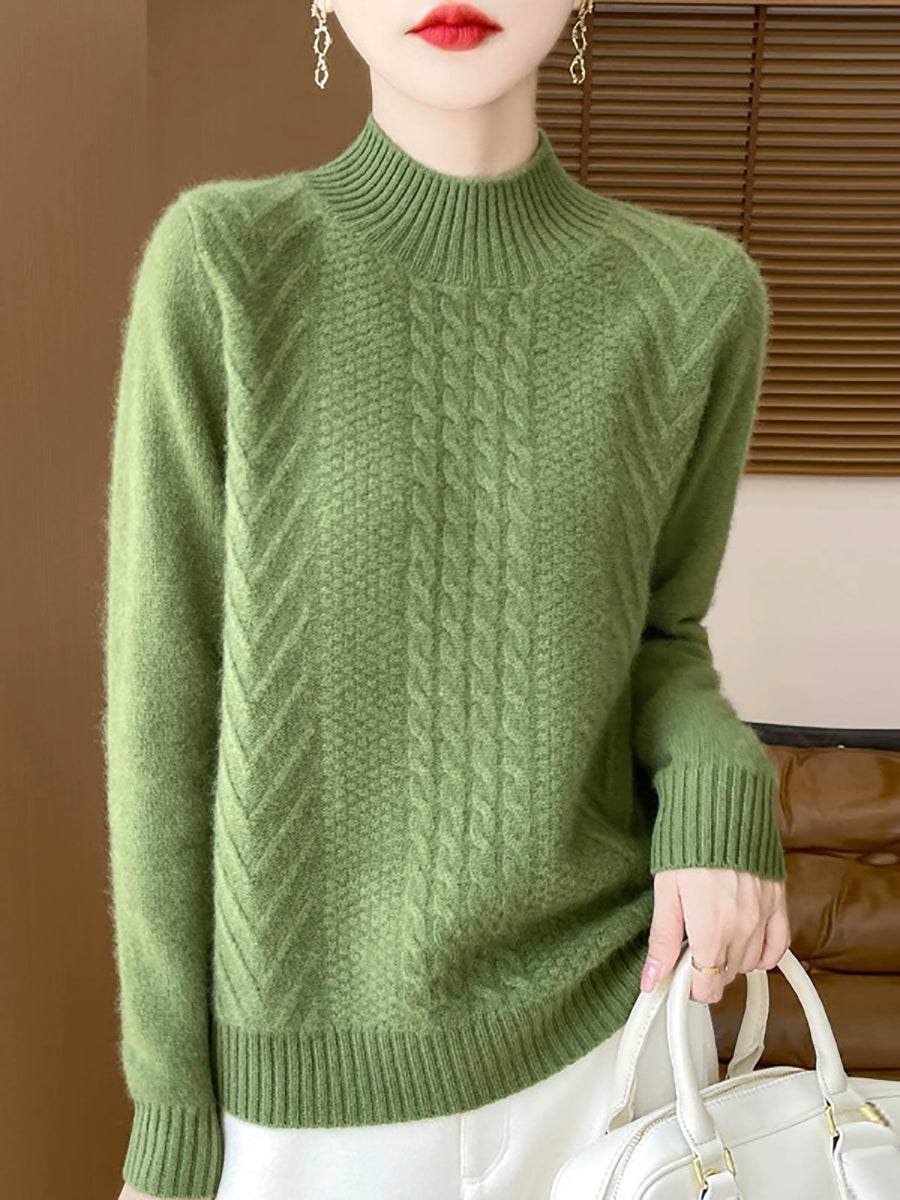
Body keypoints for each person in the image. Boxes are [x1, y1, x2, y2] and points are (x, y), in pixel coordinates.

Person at [102, 2, 791, 1198]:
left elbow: (658, 639)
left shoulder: (692, 298)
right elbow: (163, 718)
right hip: (307, 1104)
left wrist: (718, 784)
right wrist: (169, 1117)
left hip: (611, 1041)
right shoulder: (226, 264)